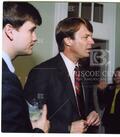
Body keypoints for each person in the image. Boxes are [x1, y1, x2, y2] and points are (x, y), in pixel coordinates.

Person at [24, 17, 100, 133]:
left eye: (91, 36)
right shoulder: (42, 72)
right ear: (68, 41)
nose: (92, 41)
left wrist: (92, 113)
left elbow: (84, 107)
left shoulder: (84, 72)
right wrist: (67, 129)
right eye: (86, 37)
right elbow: (31, 118)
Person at [2, 2, 50, 132]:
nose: (35, 38)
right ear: (10, 31)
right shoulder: (5, 80)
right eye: (31, 30)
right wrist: (40, 130)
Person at [97, 67, 120, 133]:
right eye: (116, 74)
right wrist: (100, 90)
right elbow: (102, 102)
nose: (117, 76)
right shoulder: (109, 87)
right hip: (108, 119)